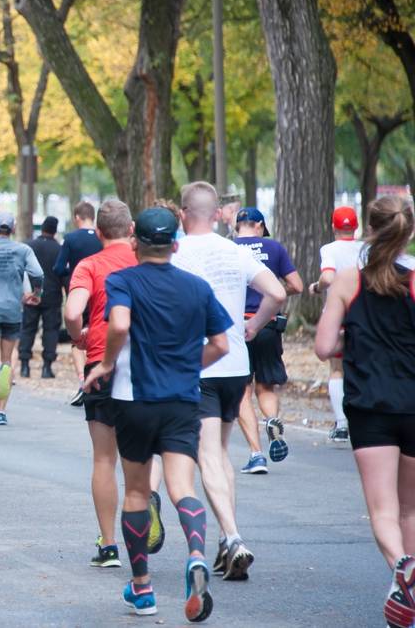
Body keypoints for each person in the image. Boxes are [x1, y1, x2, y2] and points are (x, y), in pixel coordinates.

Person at [83, 206, 233, 623]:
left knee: (135, 491)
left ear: (135, 241)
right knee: (183, 485)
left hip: (135, 399)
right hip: (183, 399)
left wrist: (108, 363)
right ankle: (198, 556)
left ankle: (144, 588)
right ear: (175, 244)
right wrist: (188, 365)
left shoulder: (123, 279)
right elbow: (221, 345)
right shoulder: (197, 288)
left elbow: (118, 324)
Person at [171, 182, 286, 582]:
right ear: (218, 214)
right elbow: (277, 291)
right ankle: (226, 538)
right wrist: (253, 326)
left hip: (199, 363)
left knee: (207, 456)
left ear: (183, 214)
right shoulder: (235, 252)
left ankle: (234, 536)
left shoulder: (177, 253)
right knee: (220, 450)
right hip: (236, 362)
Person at [314, 195, 415, 628]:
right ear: (407, 231)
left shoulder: (348, 281)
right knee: (411, 510)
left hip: (369, 404)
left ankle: (400, 569)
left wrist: (351, 341)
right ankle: (412, 593)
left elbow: (322, 347)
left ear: (368, 230)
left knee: (383, 511)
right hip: (413, 403)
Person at [64, 200, 139, 569]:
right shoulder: (146, 261)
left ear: (98, 233)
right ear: (130, 230)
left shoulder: (89, 265)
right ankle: (145, 517)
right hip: (145, 363)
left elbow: (72, 312)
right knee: (139, 455)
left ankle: (109, 545)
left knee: (104, 458)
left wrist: (79, 337)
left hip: (99, 361)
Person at [232, 208, 303, 473]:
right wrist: (271, 289)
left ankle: (256, 454)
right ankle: (272, 420)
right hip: (269, 325)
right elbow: (297, 285)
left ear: (237, 225)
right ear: (260, 225)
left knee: (242, 391)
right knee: (266, 387)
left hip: (239, 326)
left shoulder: (227, 249)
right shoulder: (273, 248)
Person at [0, 211, 43, 426]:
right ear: (12, 230)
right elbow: (38, 273)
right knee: (6, 358)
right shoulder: (23, 249)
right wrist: (36, 293)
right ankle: (0, 412)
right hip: (13, 310)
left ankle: (0, 371)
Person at [310, 206, 363, 442]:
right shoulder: (366, 248)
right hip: (363, 313)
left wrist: (317, 287)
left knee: (337, 369)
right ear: (356, 227)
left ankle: (341, 423)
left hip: (339, 313)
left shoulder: (329, 249)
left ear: (333, 227)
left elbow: (328, 276)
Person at [54, 202, 103, 392]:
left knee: (77, 337)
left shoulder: (71, 238)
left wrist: (70, 272)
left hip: (78, 293)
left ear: (77, 217)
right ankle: (97, 373)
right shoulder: (101, 237)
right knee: (97, 329)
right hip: (100, 292)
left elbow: (58, 268)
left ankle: (83, 378)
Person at [19, 216, 62, 379]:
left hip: (31, 294)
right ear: (55, 230)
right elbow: (63, 274)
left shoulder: (30, 246)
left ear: (42, 228)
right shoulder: (58, 249)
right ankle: (47, 367)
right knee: (51, 330)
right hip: (52, 295)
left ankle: (24, 366)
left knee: (28, 328)